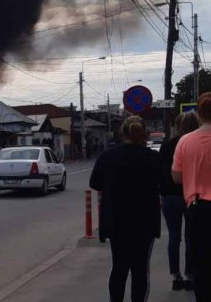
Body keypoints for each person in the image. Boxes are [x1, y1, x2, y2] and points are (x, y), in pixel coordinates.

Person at [90, 116, 162, 302]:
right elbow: (163, 184)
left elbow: (95, 183)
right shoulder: (153, 158)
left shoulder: (107, 156)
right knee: (140, 270)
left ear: (122, 133)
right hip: (144, 223)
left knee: (119, 269)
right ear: (144, 134)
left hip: (116, 221)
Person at [172, 92, 211, 302]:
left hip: (198, 209)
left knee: (201, 264)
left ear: (200, 113)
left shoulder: (185, 141)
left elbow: (177, 177)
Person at [159, 112, 199, 291]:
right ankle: (191, 276)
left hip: (170, 196)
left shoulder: (167, 146)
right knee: (192, 237)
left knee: (174, 236)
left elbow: (161, 172)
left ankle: (176, 277)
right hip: (193, 196)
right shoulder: (197, 144)